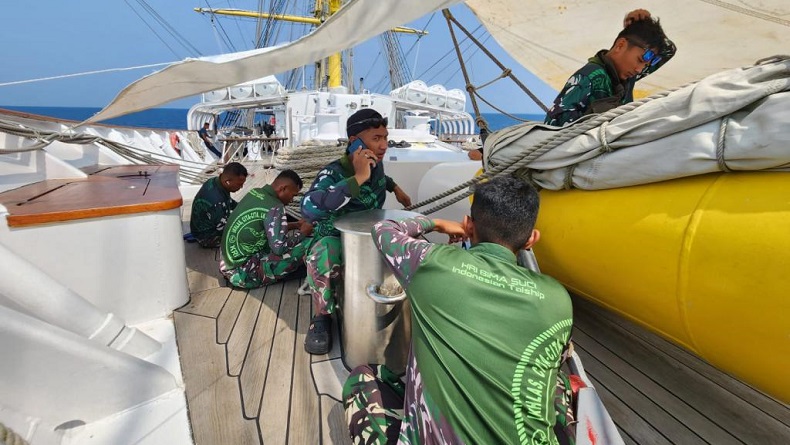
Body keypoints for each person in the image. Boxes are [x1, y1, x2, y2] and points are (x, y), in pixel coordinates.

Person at [342, 176, 573, 444]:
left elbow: (383, 229)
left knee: (364, 378)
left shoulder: (430, 262)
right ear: (532, 238)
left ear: (468, 225)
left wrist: (437, 224)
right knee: (557, 381)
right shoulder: (558, 299)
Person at [300, 108, 412, 355]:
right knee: (322, 255)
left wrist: (396, 189)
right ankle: (322, 317)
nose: (384, 145)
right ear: (355, 142)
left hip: (369, 234)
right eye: (376, 138)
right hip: (337, 239)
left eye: (385, 138)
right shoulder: (333, 173)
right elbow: (308, 208)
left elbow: (383, 179)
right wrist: (358, 178)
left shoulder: (376, 164)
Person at [544, 9, 676, 127]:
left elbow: (669, 51)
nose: (639, 70)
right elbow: (553, 124)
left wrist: (646, 25)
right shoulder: (589, 77)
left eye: (645, 65)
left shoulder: (627, 78)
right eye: (640, 60)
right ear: (620, 45)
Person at [219, 169, 313, 288]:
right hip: (245, 275)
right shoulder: (275, 207)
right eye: (293, 195)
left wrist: (296, 225)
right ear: (283, 188)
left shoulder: (255, 192)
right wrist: (303, 233)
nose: (292, 200)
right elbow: (279, 248)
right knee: (309, 244)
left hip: (228, 265)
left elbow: (266, 227)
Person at [189, 162, 248, 248]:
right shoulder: (217, 203)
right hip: (206, 237)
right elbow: (225, 229)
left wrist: (243, 207)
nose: (241, 187)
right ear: (227, 182)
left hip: (205, 224)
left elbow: (229, 201)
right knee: (247, 239)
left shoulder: (215, 181)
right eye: (239, 184)